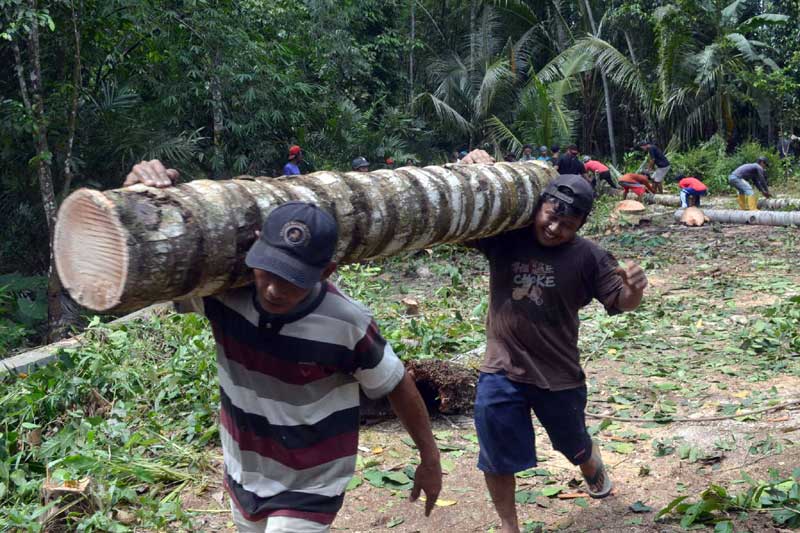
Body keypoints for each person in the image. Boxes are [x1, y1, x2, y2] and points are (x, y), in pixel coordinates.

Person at [121, 161, 443, 532]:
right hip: (244, 475)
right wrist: (135, 199)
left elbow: (396, 383)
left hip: (312, 484)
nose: (274, 289)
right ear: (257, 243)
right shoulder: (223, 296)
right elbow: (144, 271)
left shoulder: (346, 322)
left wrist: (430, 458)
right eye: (269, 269)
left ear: (326, 272)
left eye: (293, 278)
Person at [468, 173, 647, 533]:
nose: (553, 229)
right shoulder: (505, 238)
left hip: (558, 373)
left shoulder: (588, 257)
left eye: (567, 225)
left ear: (580, 225)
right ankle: (509, 526)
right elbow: (464, 216)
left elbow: (621, 300)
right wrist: (477, 169)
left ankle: (589, 460)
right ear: (539, 206)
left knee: (572, 443)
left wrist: (635, 290)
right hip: (500, 367)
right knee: (496, 456)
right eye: (550, 216)